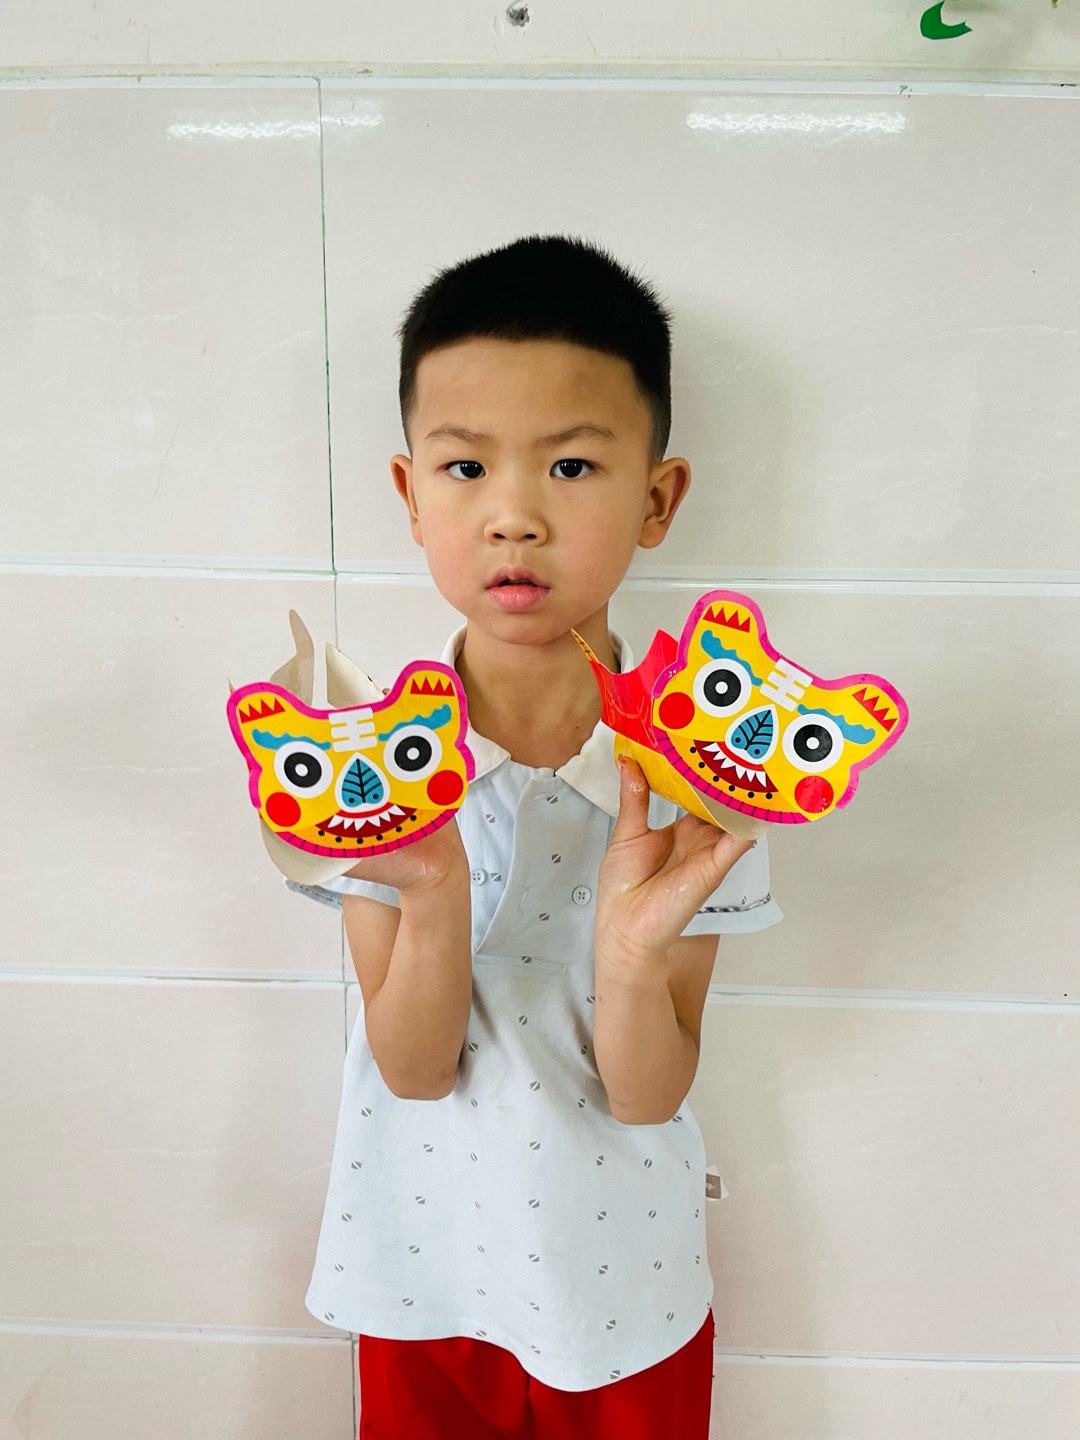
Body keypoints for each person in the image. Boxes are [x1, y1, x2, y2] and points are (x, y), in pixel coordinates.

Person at [292, 234, 783, 1439]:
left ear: (656, 498)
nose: (513, 518)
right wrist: (433, 884)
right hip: (421, 1274)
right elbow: (413, 1070)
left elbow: (649, 1093)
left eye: (570, 466)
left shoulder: (715, 770)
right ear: (411, 494)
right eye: (465, 467)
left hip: (626, 1289)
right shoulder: (365, 763)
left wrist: (632, 955)